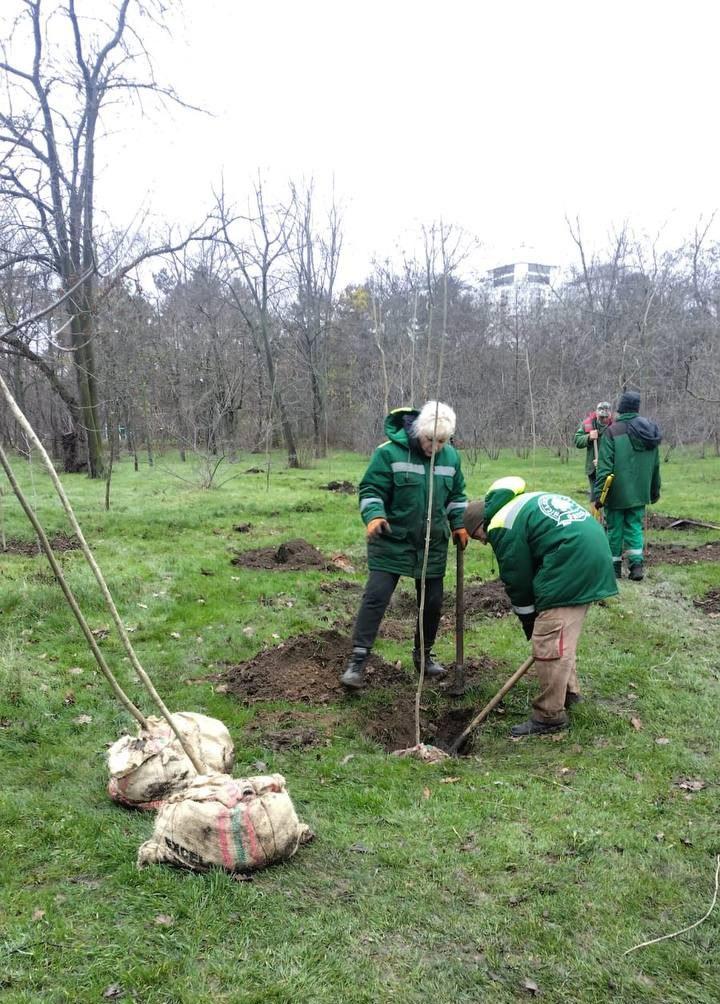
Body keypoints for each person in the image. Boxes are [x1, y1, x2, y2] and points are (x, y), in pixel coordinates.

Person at [464, 477, 618, 737]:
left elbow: (518, 580)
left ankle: (549, 716)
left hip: (572, 559)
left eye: (477, 536)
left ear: (480, 524)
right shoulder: (519, 504)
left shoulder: (501, 524)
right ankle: (569, 694)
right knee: (561, 636)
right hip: (590, 549)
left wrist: (530, 622)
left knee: (548, 640)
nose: (483, 542)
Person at [340, 401, 469, 689]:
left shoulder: (451, 458)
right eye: (430, 440)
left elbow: (457, 496)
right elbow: (371, 489)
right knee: (376, 597)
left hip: (432, 544)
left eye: (442, 441)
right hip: (391, 540)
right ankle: (357, 661)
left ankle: (424, 656)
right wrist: (374, 516)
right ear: (418, 431)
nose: (435, 447)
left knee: (432, 603)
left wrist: (459, 523)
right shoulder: (388, 453)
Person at [592, 390, 662, 581]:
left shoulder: (612, 431)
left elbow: (604, 468)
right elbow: (655, 467)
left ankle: (614, 569)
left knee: (614, 529)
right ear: (636, 409)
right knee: (634, 527)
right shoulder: (650, 433)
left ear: (621, 409)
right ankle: (636, 566)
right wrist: (654, 491)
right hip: (640, 492)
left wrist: (599, 496)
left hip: (616, 493)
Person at [574, 401, 613, 495]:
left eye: (606, 417)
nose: (604, 419)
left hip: (611, 467)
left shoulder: (615, 425)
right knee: (595, 495)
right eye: (601, 417)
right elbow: (577, 440)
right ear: (596, 414)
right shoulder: (588, 424)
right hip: (593, 469)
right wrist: (588, 437)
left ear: (610, 415)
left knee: (609, 495)